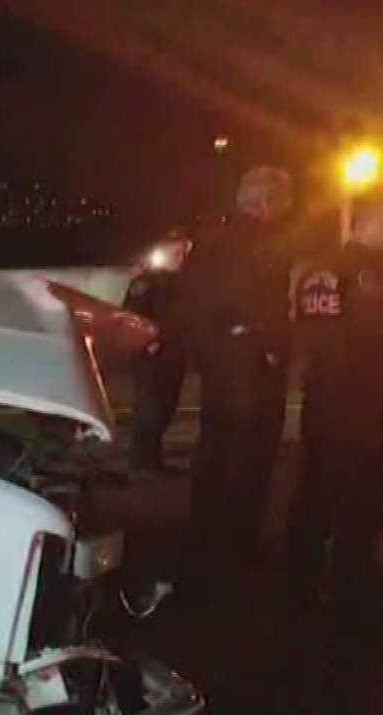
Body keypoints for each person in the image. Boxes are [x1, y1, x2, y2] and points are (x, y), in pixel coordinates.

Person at [286, 192, 383, 622]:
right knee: (361, 495)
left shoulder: (320, 270)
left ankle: (301, 579)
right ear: (368, 226)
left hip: (323, 394)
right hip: (359, 397)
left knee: (315, 488)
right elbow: (380, 337)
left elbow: (309, 333)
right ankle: (352, 584)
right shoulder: (371, 273)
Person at [170, 166, 297, 570]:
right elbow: (266, 304)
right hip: (251, 365)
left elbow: (187, 302)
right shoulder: (263, 245)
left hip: (217, 363)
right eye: (282, 202)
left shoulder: (209, 244)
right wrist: (274, 348)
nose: (285, 210)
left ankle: (203, 533)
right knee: (251, 454)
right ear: (265, 203)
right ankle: (240, 542)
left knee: (215, 447)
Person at [122, 232, 192, 470]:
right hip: (150, 355)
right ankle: (141, 461)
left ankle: (152, 458)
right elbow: (132, 317)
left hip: (174, 354)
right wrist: (147, 342)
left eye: (184, 252)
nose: (181, 257)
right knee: (150, 409)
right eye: (176, 252)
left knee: (167, 407)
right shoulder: (147, 282)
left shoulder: (186, 281)